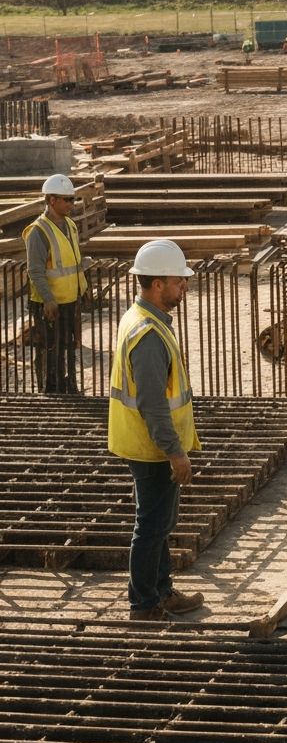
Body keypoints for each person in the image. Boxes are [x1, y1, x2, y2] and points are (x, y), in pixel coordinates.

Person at [108, 240, 204, 621]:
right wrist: (175, 451)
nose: (184, 287)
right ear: (158, 284)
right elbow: (152, 403)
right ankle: (144, 604)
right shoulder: (148, 334)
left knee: (160, 522)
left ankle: (161, 590)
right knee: (150, 525)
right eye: (179, 281)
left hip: (148, 444)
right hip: (151, 448)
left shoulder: (141, 318)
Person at [22, 174, 88, 394]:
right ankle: (50, 391)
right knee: (51, 350)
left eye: (73, 199)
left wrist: (82, 290)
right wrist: (48, 300)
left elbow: (72, 263)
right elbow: (35, 271)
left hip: (70, 300)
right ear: (52, 200)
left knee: (69, 347)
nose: (71, 204)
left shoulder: (70, 225)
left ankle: (69, 388)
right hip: (49, 304)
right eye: (67, 200)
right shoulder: (38, 231)